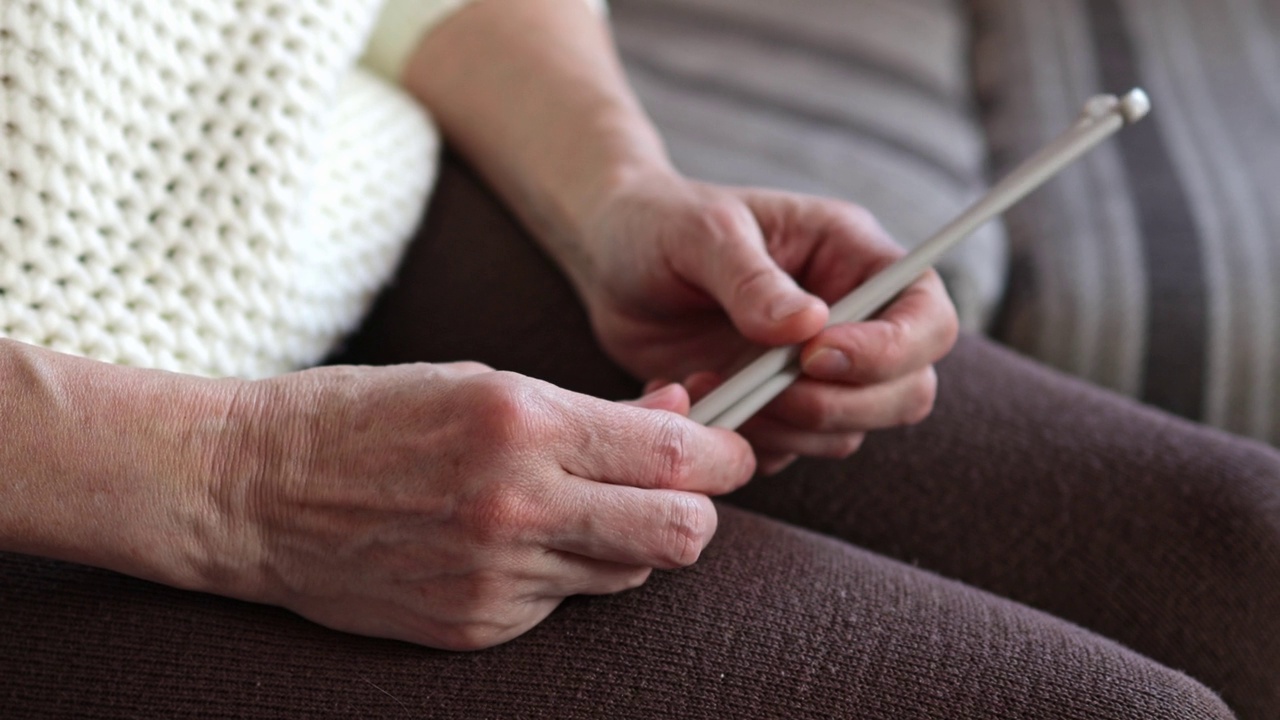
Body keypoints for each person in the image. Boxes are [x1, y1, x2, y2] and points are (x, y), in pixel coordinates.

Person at [0, 1, 1276, 718]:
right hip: (54, 482)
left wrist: (612, 192)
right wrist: (240, 483)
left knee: (1250, 550)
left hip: (316, 209)